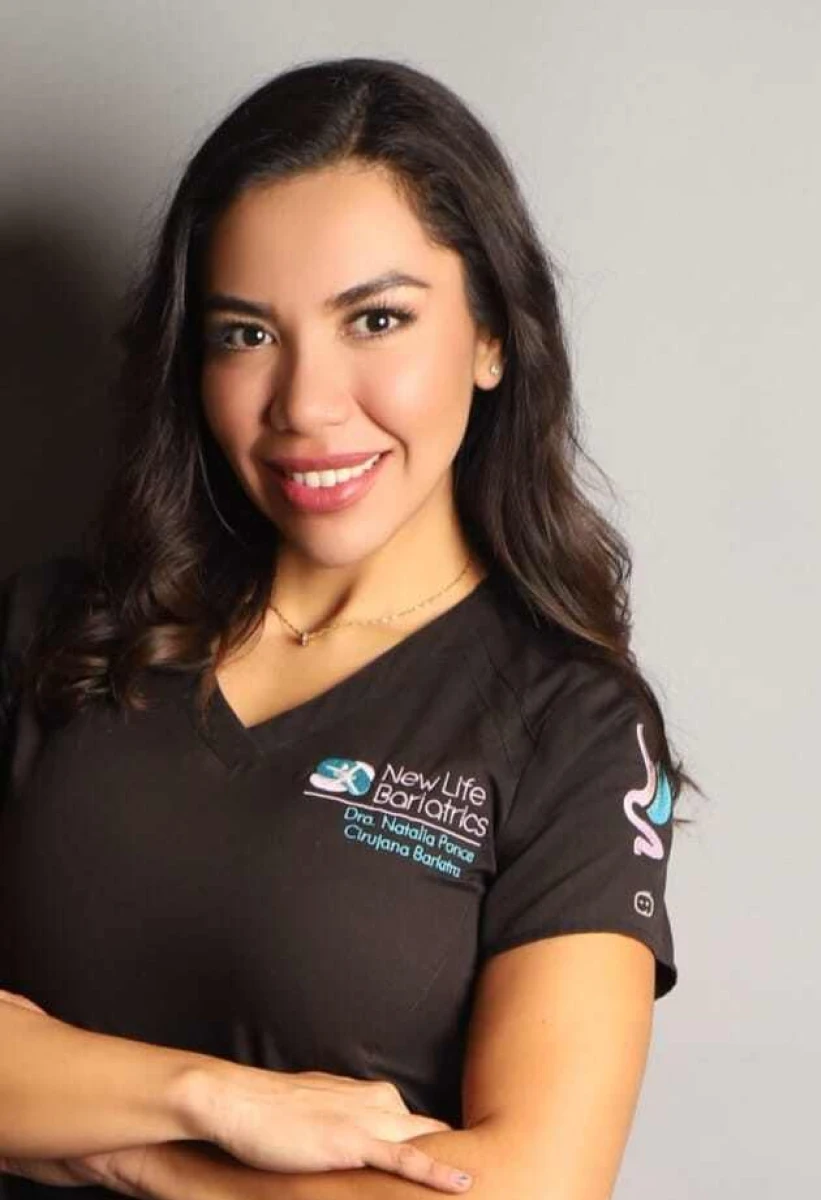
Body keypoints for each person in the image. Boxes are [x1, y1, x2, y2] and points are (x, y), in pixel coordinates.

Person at [0, 57, 696, 1200]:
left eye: (376, 320)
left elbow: (533, 1187)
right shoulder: (51, 634)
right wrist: (213, 1099)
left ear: (492, 335)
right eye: (245, 335)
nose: (307, 405)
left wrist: (124, 1152)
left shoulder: (571, 729)